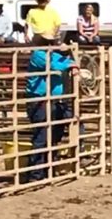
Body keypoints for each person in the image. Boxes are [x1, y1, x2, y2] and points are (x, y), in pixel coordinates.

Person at [22, 45, 77, 183]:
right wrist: (71, 65)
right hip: (40, 101)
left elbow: (66, 61)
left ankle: (46, 171)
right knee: (42, 137)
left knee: (53, 136)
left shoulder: (52, 55)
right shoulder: (39, 55)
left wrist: (71, 63)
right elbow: (55, 66)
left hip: (53, 101)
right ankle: (36, 174)